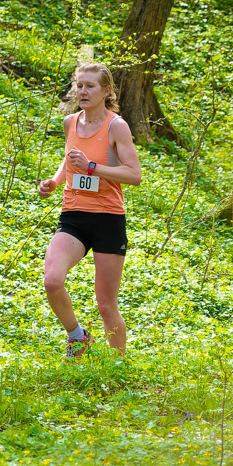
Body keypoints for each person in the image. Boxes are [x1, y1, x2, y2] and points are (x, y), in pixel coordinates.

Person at [38, 63, 142, 359]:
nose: (82, 91)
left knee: (106, 305)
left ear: (106, 91)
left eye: (90, 86)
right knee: (52, 280)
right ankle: (77, 336)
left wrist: (92, 167)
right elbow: (70, 157)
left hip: (108, 219)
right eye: (79, 85)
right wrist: (55, 181)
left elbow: (134, 175)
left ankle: (118, 366)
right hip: (74, 216)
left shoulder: (116, 126)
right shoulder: (70, 122)